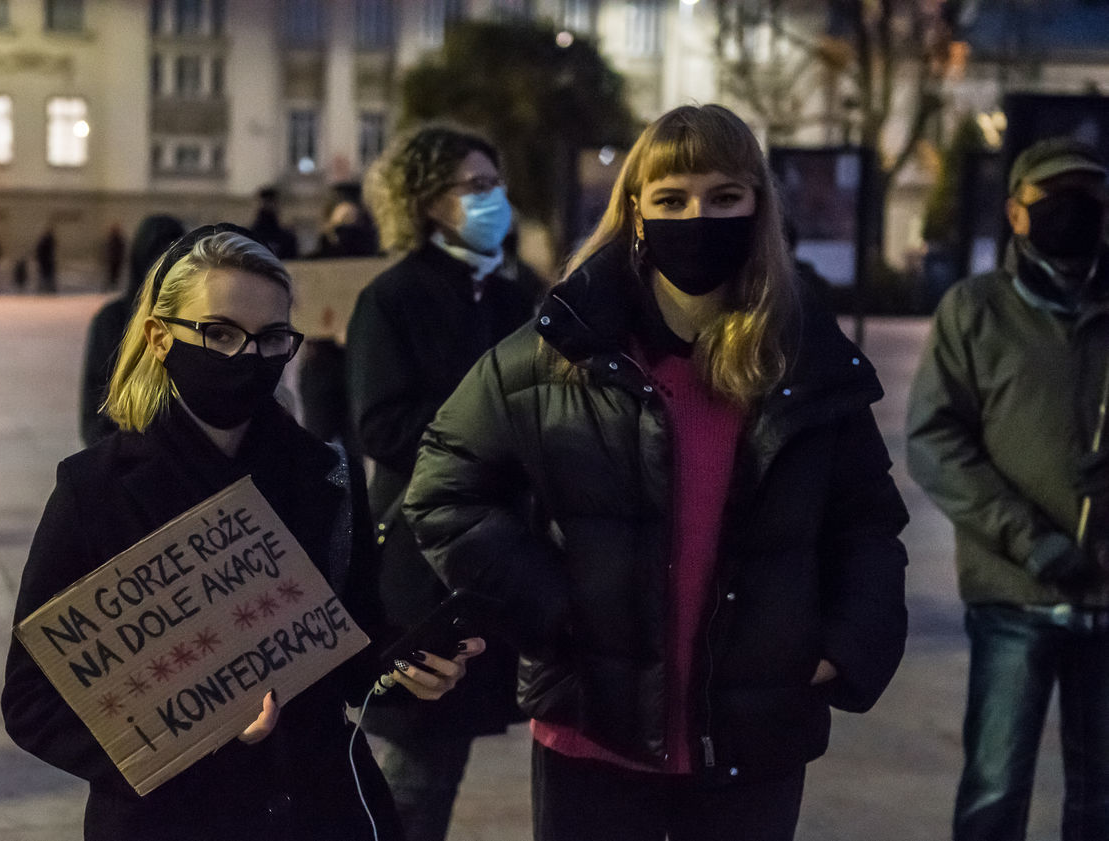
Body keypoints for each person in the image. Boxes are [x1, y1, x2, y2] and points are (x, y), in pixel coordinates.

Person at [402, 104, 910, 841]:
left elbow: (866, 519)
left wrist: (844, 644)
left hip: (751, 735)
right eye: (671, 198)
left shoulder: (802, 357)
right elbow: (445, 484)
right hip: (593, 731)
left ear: (758, 207)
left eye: (724, 196)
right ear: (635, 210)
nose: (697, 217)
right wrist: (549, 608)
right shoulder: (561, 350)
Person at [3, 224, 484, 841]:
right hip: (168, 823)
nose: (246, 358)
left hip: (316, 809)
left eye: (271, 339)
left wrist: (405, 668)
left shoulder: (326, 476)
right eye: (219, 334)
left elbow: (346, 646)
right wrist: (189, 743)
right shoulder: (94, 491)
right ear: (159, 337)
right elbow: (31, 702)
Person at [906, 137, 1109, 841]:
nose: (1072, 214)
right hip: (1015, 593)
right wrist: (1029, 538)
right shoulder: (976, 309)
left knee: (1102, 797)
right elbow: (935, 441)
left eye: (1087, 201)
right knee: (995, 786)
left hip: (1108, 592)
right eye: (1053, 201)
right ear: (1016, 214)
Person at [345, 125, 544, 841]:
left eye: (497, 184)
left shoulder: (514, 294)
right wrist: (492, 433)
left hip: (500, 553)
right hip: (421, 559)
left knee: (445, 754)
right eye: (476, 186)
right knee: (415, 764)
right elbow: (381, 424)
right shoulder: (393, 296)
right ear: (429, 200)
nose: (495, 199)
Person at [80, 214, 186, 446]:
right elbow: (95, 413)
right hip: (125, 459)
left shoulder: (193, 325)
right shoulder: (112, 321)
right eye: (155, 255)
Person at [249, 185, 300, 259]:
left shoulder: (287, 238)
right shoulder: (248, 236)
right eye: (265, 203)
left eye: (270, 203)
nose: (267, 207)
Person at [104, 222, 126, 290]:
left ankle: (113, 285)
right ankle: (110, 285)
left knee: (116, 273)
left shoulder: (119, 239)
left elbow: (122, 249)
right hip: (112, 259)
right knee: (111, 273)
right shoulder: (111, 239)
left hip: (117, 259)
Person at [35, 225, 57, 293]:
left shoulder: (45, 240)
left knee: (45, 275)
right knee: (46, 275)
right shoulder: (47, 240)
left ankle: (46, 288)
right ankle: (47, 288)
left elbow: (39, 251)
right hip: (46, 261)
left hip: (45, 261)